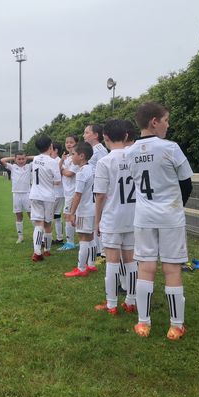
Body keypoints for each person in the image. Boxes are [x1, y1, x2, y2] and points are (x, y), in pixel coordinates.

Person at [126, 101, 193, 340]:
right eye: (165, 120)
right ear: (154, 122)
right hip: (170, 216)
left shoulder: (129, 152)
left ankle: (143, 323)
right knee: (172, 268)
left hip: (143, 216)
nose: (168, 124)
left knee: (145, 267)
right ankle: (176, 325)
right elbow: (187, 183)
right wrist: (174, 208)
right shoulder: (170, 148)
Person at [94, 119, 138, 314]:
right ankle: (131, 300)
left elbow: (100, 195)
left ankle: (111, 304)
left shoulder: (105, 161)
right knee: (131, 261)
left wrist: (97, 221)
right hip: (134, 216)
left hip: (113, 217)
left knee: (112, 262)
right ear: (127, 136)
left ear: (105, 138)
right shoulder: (136, 157)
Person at [64, 142, 96, 277]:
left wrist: (71, 213)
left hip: (85, 209)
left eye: (74, 154)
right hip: (93, 208)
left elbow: (78, 194)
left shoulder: (82, 172)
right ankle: (92, 264)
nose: (71, 157)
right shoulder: (93, 169)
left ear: (82, 156)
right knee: (90, 237)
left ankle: (81, 268)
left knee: (83, 237)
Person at [29, 135, 61, 261]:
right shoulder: (53, 162)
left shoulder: (35, 159)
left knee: (38, 224)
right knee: (47, 223)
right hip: (48, 196)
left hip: (35, 194)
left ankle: (37, 252)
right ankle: (46, 250)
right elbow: (57, 181)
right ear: (51, 146)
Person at [84, 124, 109, 267]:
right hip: (94, 189)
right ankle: (99, 251)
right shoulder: (92, 150)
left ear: (95, 135)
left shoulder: (100, 151)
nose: (84, 135)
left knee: (101, 218)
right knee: (96, 218)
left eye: (87, 132)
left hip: (100, 189)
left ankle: (104, 252)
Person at [0, 151, 34, 243]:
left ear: (25, 159)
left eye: (23, 159)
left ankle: (37, 234)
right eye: (19, 159)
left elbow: (38, 158)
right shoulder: (13, 167)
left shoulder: (29, 166)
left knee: (31, 215)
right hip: (16, 194)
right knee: (19, 215)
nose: (21, 161)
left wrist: (27, 157)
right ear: (15, 159)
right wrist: (13, 158)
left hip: (27, 194)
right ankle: (20, 236)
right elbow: (2, 160)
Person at [58, 135, 79, 251]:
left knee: (68, 216)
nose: (69, 144)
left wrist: (62, 170)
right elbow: (59, 169)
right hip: (67, 191)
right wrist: (62, 160)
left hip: (73, 192)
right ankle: (76, 241)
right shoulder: (66, 158)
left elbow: (69, 173)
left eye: (71, 142)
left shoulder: (76, 158)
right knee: (71, 216)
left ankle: (70, 242)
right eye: (67, 142)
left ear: (76, 143)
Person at [50, 143, 65, 244]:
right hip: (59, 193)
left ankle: (46, 239)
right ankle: (59, 238)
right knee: (57, 216)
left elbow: (58, 174)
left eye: (50, 148)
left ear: (55, 150)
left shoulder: (57, 161)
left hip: (55, 193)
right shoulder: (57, 160)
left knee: (48, 216)